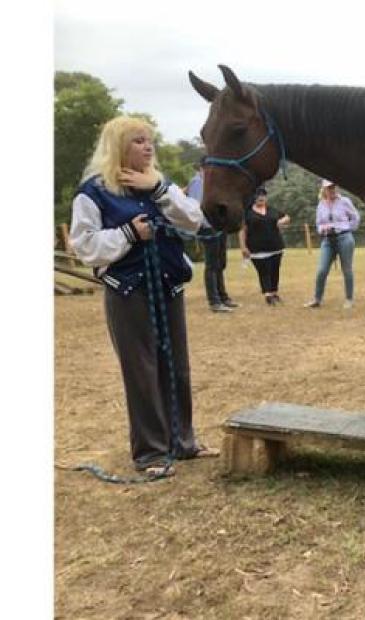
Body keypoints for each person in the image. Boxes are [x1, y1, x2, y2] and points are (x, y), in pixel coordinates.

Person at [68, 115, 219, 475]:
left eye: (149, 139)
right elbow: (86, 247)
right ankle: (151, 452)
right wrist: (128, 234)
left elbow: (195, 220)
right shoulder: (92, 193)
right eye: (138, 140)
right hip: (128, 291)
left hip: (167, 283)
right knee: (141, 370)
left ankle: (182, 441)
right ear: (118, 147)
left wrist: (160, 190)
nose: (148, 146)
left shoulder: (160, 186)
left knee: (177, 367)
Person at [186, 163, 237, 313]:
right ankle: (214, 301)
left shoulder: (213, 182)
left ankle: (223, 296)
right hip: (208, 228)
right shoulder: (197, 182)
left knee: (220, 263)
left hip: (218, 226)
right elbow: (197, 206)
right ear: (201, 168)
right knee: (212, 265)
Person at [305, 179, 360, 309]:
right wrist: (322, 229)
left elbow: (355, 217)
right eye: (329, 188)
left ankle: (349, 299)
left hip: (344, 238)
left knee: (347, 269)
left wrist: (346, 229)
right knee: (321, 270)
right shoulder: (321, 204)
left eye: (333, 187)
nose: (332, 190)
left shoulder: (344, 201)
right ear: (324, 190)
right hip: (327, 240)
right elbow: (319, 223)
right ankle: (317, 299)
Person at [239, 187, 290, 305]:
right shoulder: (247, 213)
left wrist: (282, 221)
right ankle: (267, 294)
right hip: (257, 249)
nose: (261, 197)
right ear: (253, 198)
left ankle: (274, 292)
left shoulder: (272, 210)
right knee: (263, 271)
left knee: (275, 270)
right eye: (258, 195)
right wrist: (243, 247)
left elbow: (287, 217)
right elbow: (242, 230)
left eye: (263, 195)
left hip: (275, 246)